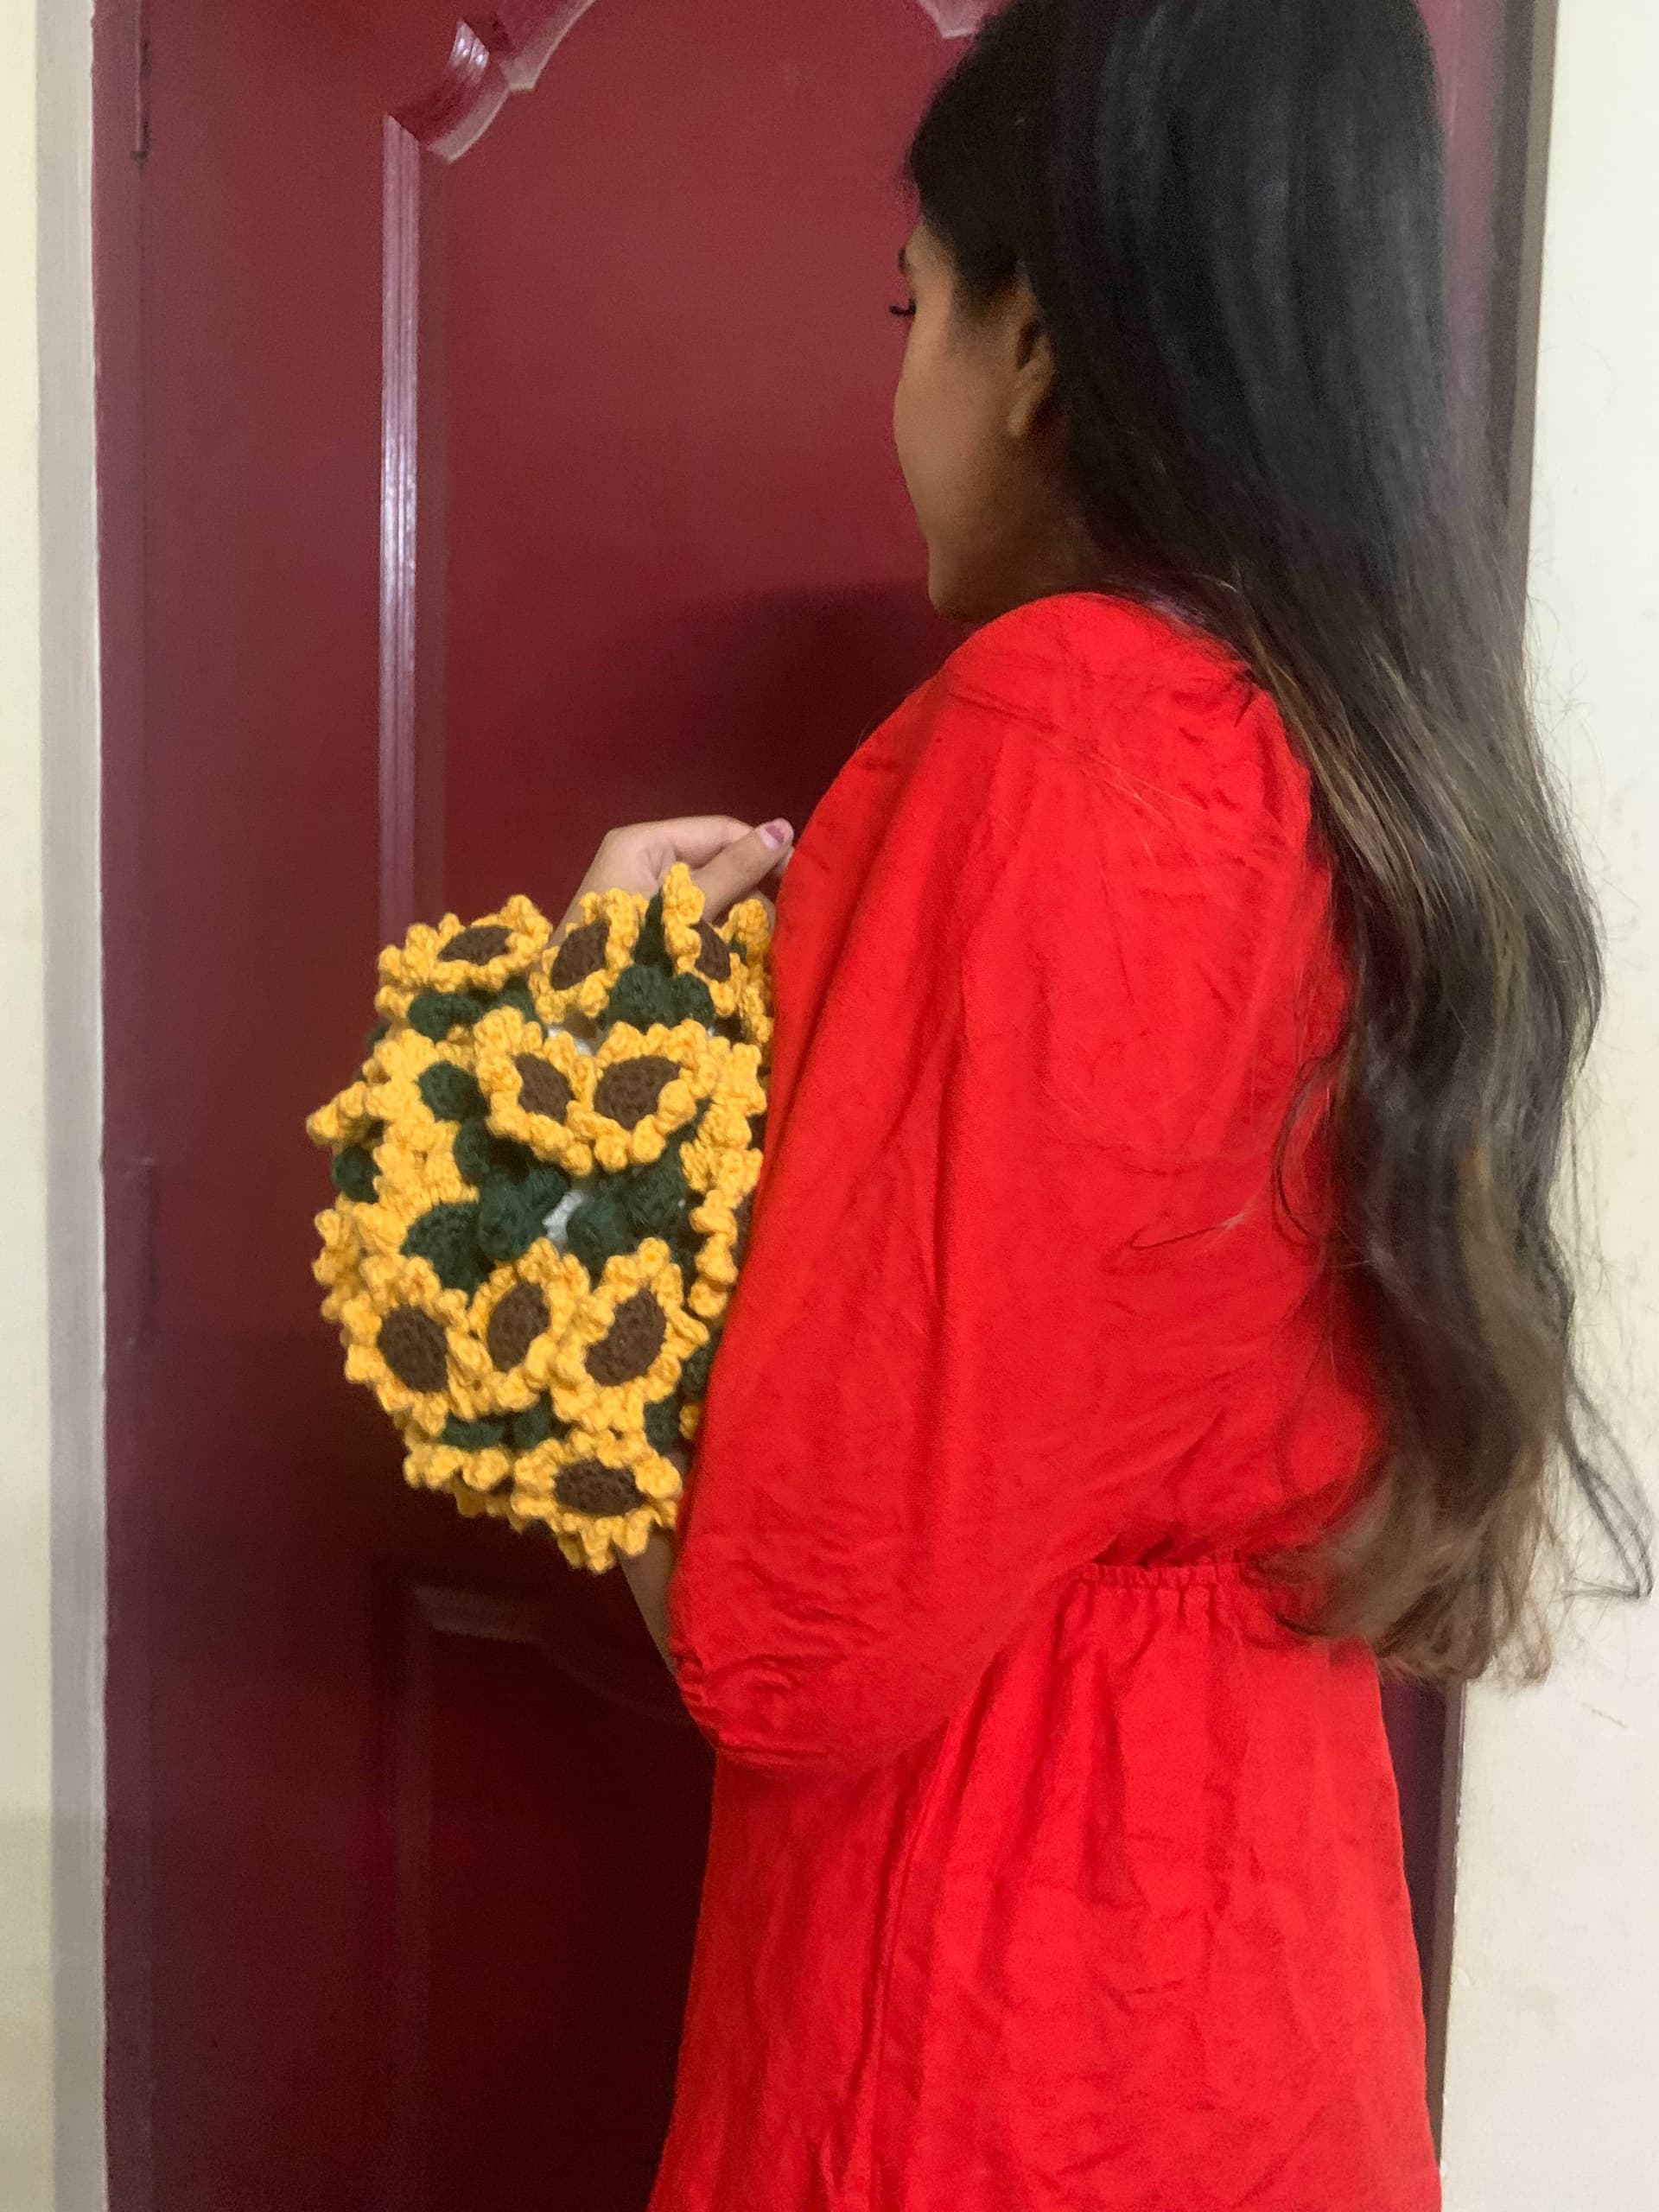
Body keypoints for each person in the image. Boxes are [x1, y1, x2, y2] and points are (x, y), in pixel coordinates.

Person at [557, 3, 1649, 2205]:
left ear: (1035, 341)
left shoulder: (1068, 735)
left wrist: (575, 1144)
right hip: (1264, 1976)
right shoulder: (1372, 759)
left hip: (994, 2022)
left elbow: (791, 1630)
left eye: (913, 310)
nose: (900, 388)